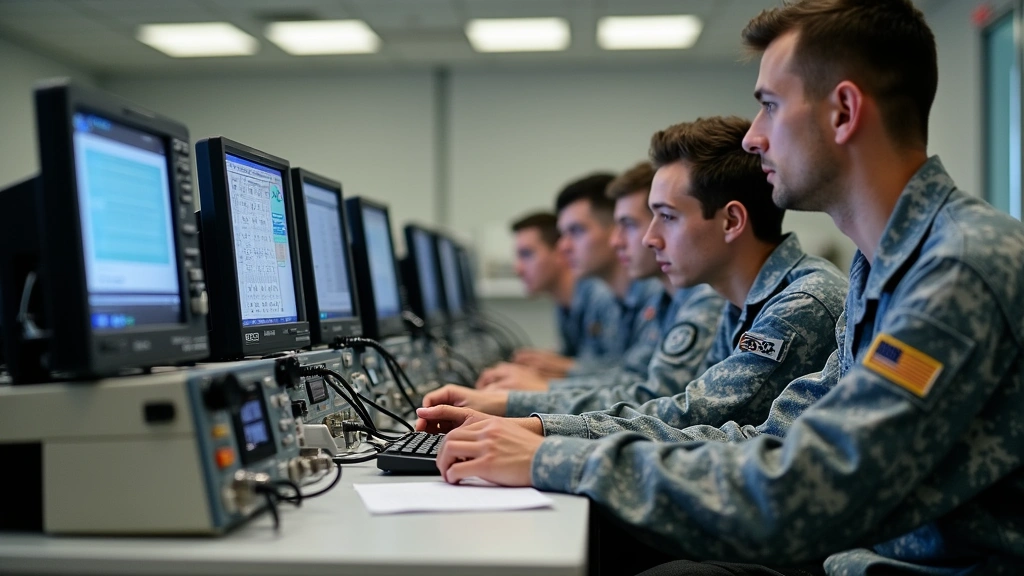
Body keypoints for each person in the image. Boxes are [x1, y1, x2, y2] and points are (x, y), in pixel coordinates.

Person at [420, 1, 1024, 574]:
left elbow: (806, 489)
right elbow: (772, 438)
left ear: (843, 111)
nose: (754, 136)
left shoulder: (956, 270)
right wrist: (546, 433)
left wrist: (550, 455)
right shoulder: (882, 269)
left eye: (769, 105)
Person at [423, 116, 847, 438]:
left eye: (666, 217)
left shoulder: (798, 306)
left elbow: (689, 414)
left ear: (731, 221)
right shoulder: (742, 302)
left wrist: (531, 424)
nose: (649, 238)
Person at [483, 162, 725, 390]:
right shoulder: (665, 299)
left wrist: (542, 389)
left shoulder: (698, 298)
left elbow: (648, 392)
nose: (616, 240)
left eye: (628, 225)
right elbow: (629, 375)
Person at [512, 173, 663, 379]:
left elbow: (637, 385)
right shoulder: (618, 296)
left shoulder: (655, 294)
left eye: (576, 231)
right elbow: (615, 372)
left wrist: (533, 389)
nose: (563, 246)